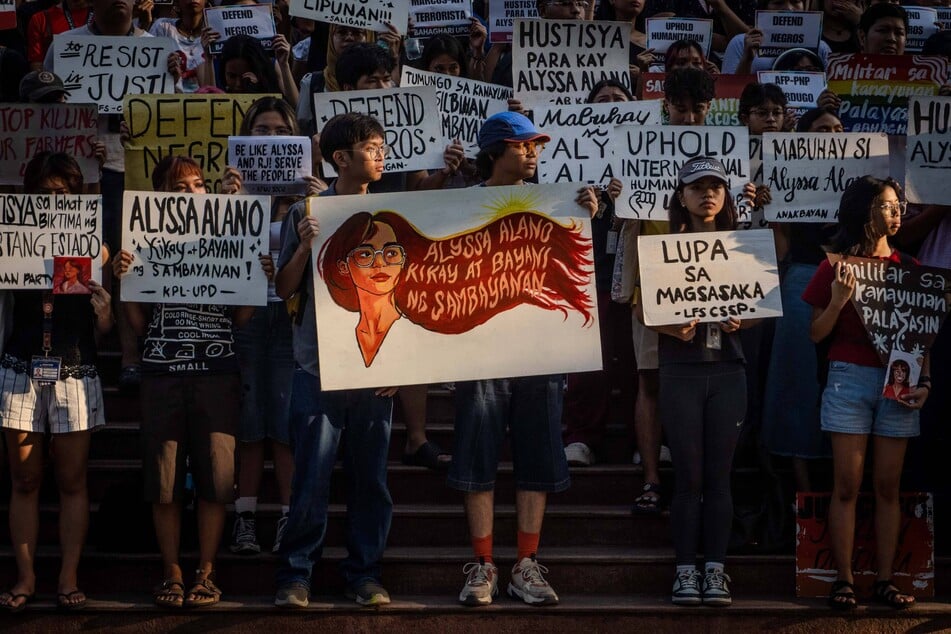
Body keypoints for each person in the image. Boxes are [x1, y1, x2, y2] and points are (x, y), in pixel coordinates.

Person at [451, 111, 598, 607]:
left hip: (540, 349)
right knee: (477, 455)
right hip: (481, 354)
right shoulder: (459, 204)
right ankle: (485, 564)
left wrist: (586, 218)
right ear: (494, 151)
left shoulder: (558, 202)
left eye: (537, 146)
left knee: (537, 454)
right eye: (522, 146)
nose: (533, 154)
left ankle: (526, 564)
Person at [115, 155, 258, 609]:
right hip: (162, 373)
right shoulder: (145, 245)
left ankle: (206, 570)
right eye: (179, 189)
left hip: (217, 373)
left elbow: (242, 317)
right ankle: (172, 571)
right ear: (159, 199)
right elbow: (138, 325)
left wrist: (255, 273)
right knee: (165, 479)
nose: (191, 193)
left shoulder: (226, 237)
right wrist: (125, 280)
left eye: (198, 185)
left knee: (217, 479)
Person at [273, 112, 397, 609]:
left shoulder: (394, 212)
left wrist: (401, 366)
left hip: (376, 373)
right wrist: (305, 245)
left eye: (382, 146)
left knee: (371, 482)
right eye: (371, 147)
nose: (381, 155)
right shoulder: (304, 212)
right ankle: (295, 576)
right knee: (311, 478)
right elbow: (283, 288)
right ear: (340, 158)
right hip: (317, 370)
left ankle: (364, 575)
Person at [802, 175, 929, 611]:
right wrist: (838, 301)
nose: (898, 213)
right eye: (889, 205)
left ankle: (886, 580)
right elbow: (816, 334)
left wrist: (925, 383)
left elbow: (920, 336)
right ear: (865, 210)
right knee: (847, 485)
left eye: (898, 206)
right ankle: (844, 580)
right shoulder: (833, 267)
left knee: (889, 485)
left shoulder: (909, 269)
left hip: (898, 381)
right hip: (848, 379)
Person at [0, 152, 113, 613]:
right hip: (19, 367)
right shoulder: (10, 245)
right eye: (44, 194)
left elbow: (105, 328)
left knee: (71, 479)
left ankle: (67, 575)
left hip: (74, 368)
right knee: (24, 478)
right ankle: (26, 577)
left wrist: (105, 314)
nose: (53, 201)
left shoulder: (94, 248)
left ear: (76, 196)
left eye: (62, 193)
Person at [641, 156, 756, 607]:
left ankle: (716, 570)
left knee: (719, 477)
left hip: (728, 371)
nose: (707, 194)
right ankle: (685, 569)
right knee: (688, 476)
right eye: (697, 187)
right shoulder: (663, 246)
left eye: (716, 186)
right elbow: (643, 309)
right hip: (681, 371)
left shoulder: (743, 245)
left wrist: (741, 322)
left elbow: (759, 307)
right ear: (681, 197)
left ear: (726, 195)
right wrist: (670, 328)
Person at [219, 96, 324, 556]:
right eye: (259, 130)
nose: (269, 137)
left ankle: (286, 519)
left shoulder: (312, 194)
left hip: (293, 316)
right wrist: (226, 207)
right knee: (249, 422)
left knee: (283, 422)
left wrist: (319, 204)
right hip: (243, 314)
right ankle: (243, 518)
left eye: (279, 129)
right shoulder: (229, 193)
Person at [761, 107, 841, 493]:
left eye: (838, 129)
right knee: (798, 379)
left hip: (854, 278)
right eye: (822, 129)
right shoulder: (786, 178)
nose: (832, 134)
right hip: (802, 280)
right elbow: (780, 251)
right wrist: (774, 214)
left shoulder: (864, 184)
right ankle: (802, 486)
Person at [563, 79, 637, 467]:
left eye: (619, 101)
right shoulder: (568, 160)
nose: (610, 106)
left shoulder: (648, 156)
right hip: (589, 277)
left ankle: (645, 438)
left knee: (637, 362)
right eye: (602, 101)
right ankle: (581, 437)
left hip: (639, 278)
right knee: (589, 364)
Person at [722, 0, 833, 74]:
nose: (788, 9)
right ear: (764, 8)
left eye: (795, 2)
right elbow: (728, 97)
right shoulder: (741, 43)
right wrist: (747, 59)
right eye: (778, 2)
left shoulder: (820, 47)